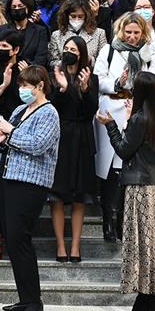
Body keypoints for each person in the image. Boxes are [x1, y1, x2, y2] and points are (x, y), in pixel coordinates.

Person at [97, 71, 155, 311]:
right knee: (151, 244)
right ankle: (148, 298)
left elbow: (124, 150)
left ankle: (148, 299)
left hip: (139, 188)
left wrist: (110, 125)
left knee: (141, 244)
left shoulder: (141, 119)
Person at [0, 65, 61, 311]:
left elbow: (38, 144)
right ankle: (24, 297)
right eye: (20, 85)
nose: (21, 90)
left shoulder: (49, 113)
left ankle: (34, 301)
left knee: (21, 237)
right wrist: (1, 138)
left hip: (31, 183)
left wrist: (11, 133)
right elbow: (14, 142)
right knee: (12, 238)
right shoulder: (20, 110)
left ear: (40, 86)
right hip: (9, 176)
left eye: (25, 85)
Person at [94, 12, 155, 243]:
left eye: (136, 32)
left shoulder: (148, 54)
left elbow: (153, 82)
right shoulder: (109, 50)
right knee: (110, 169)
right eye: (128, 32)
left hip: (138, 114)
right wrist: (117, 84)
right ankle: (108, 219)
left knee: (127, 166)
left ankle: (124, 219)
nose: (132, 37)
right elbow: (98, 80)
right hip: (112, 110)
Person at [49, 36, 98, 263]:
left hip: (82, 138)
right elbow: (51, 107)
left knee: (80, 196)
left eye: (73, 49)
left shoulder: (92, 78)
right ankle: (60, 245)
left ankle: (76, 246)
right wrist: (63, 87)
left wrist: (84, 89)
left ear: (81, 54)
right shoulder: (54, 77)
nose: (68, 52)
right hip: (60, 138)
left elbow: (89, 111)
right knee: (57, 196)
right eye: (66, 48)